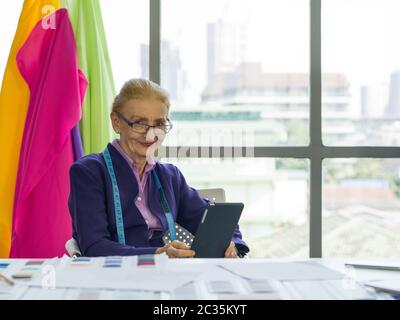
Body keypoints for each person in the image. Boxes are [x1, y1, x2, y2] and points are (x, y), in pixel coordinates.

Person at [68, 79, 249, 258]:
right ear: (116, 122)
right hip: (111, 278)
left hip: (164, 276)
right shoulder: (89, 172)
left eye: (159, 124)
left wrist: (233, 245)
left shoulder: (169, 176)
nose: (150, 134)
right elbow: (95, 247)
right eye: (139, 123)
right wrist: (157, 254)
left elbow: (218, 221)